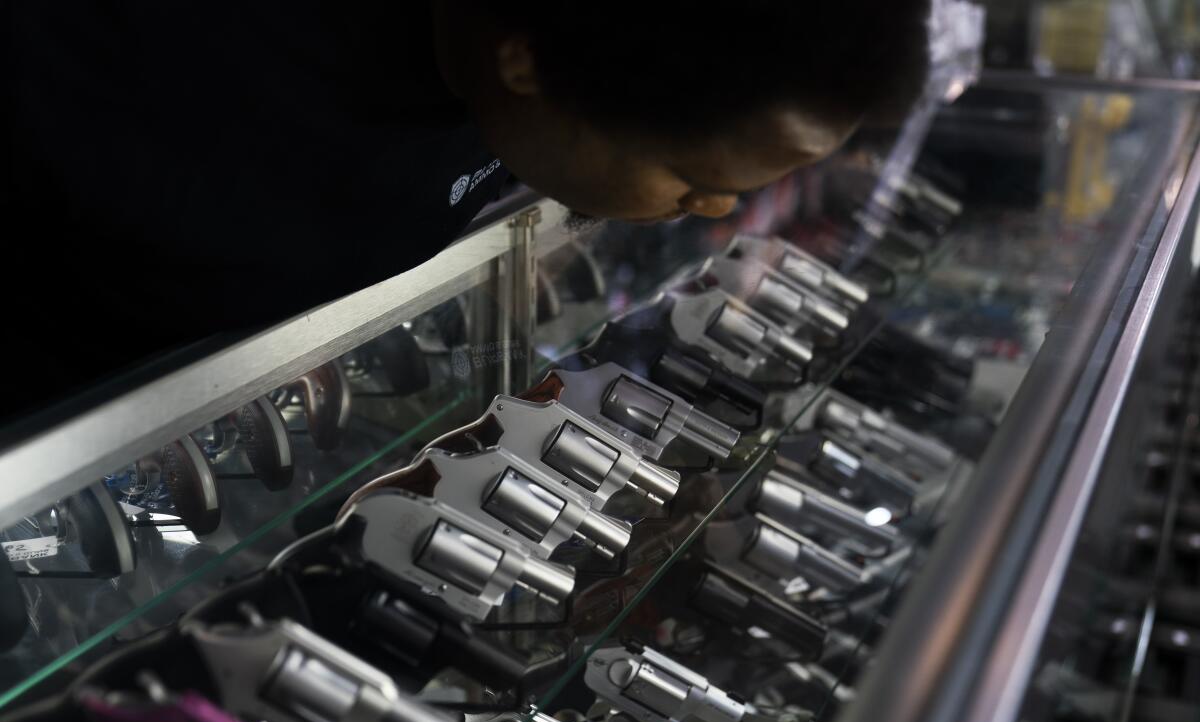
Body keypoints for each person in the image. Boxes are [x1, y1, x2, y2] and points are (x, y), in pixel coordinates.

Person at [3, 0, 930, 425]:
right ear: (529, 66)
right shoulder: (146, 67)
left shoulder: (506, 73)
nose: (717, 209)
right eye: (689, 176)